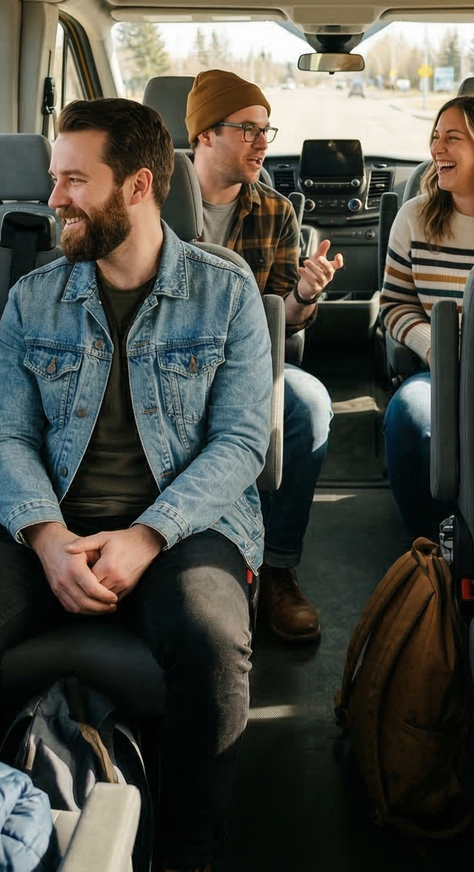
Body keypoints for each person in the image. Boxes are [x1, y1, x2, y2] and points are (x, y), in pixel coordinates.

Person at [0, 98, 269, 872]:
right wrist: (45, 535)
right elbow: (4, 434)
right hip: (53, 516)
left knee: (209, 638)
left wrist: (147, 535)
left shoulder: (226, 290)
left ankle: (188, 856)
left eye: (73, 180)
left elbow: (240, 442)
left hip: (187, 523)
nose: (54, 198)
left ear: (137, 186)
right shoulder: (36, 296)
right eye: (53, 178)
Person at [185, 67, 339, 642]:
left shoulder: (276, 211)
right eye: (247, 129)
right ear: (204, 134)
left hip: (246, 365)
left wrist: (305, 294)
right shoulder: (151, 201)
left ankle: (277, 567)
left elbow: (284, 321)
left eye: (265, 130)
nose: (262, 143)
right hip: (163, 363)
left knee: (308, 404)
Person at [380, 92, 474, 539]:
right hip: (440, 372)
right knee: (411, 415)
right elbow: (394, 304)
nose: (436, 149)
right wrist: (435, 349)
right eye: (435, 137)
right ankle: (428, 545)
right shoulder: (415, 217)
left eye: (452, 138)